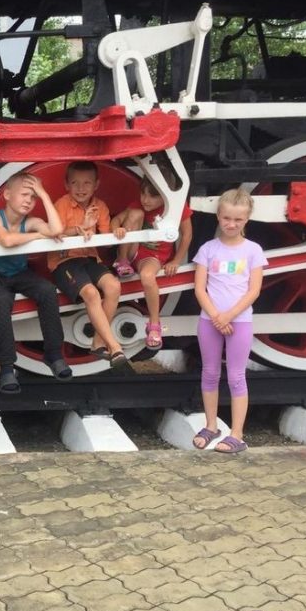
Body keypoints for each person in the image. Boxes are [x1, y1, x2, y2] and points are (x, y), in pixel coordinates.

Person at [0, 172, 70, 393]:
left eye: (33, 197)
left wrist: (44, 195)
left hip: (19, 273)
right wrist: (38, 236)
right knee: (1, 300)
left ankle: (53, 355)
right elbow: (7, 240)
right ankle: (7, 368)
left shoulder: (30, 222)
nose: (29, 200)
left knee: (48, 290)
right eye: (25, 194)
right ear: (7, 194)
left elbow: (56, 230)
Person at [191, 187, 266, 454]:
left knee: (236, 376)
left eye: (237, 219)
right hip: (209, 321)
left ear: (247, 219)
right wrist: (216, 317)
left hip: (239, 322)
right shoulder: (208, 249)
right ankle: (211, 426)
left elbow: (254, 290)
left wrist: (228, 316)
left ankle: (237, 434)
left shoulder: (253, 250)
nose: (231, 224)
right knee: (210, 373)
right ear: (218, 217)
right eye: (226, 218)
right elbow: (200, 288)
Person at [48, 161, 127, 366]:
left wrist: (117, 231)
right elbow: (54, 233)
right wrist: (80, 228)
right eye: (75, 183)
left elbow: (106, 237)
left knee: (113, 286)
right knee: (91, 293)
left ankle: (98, 342)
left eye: (87, 183)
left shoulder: (100, 206)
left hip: (89, 259)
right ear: (66, 185)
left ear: (96, 185)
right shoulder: (61, 204)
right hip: (64, 261)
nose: (81, 188)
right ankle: (114, 346)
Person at [110, 174, 193, 349]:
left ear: (165, 195)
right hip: (131, 250)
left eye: (152, 196)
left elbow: (187, 235)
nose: (145, 200)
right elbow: (116, 220)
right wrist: (116, 229)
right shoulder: (138, 206)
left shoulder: (178, 207)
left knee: (147, 277)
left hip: (153, 256)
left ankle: (154, 324)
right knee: (135, 213)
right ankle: (121, 260)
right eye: (143, 194)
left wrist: (176, 261)